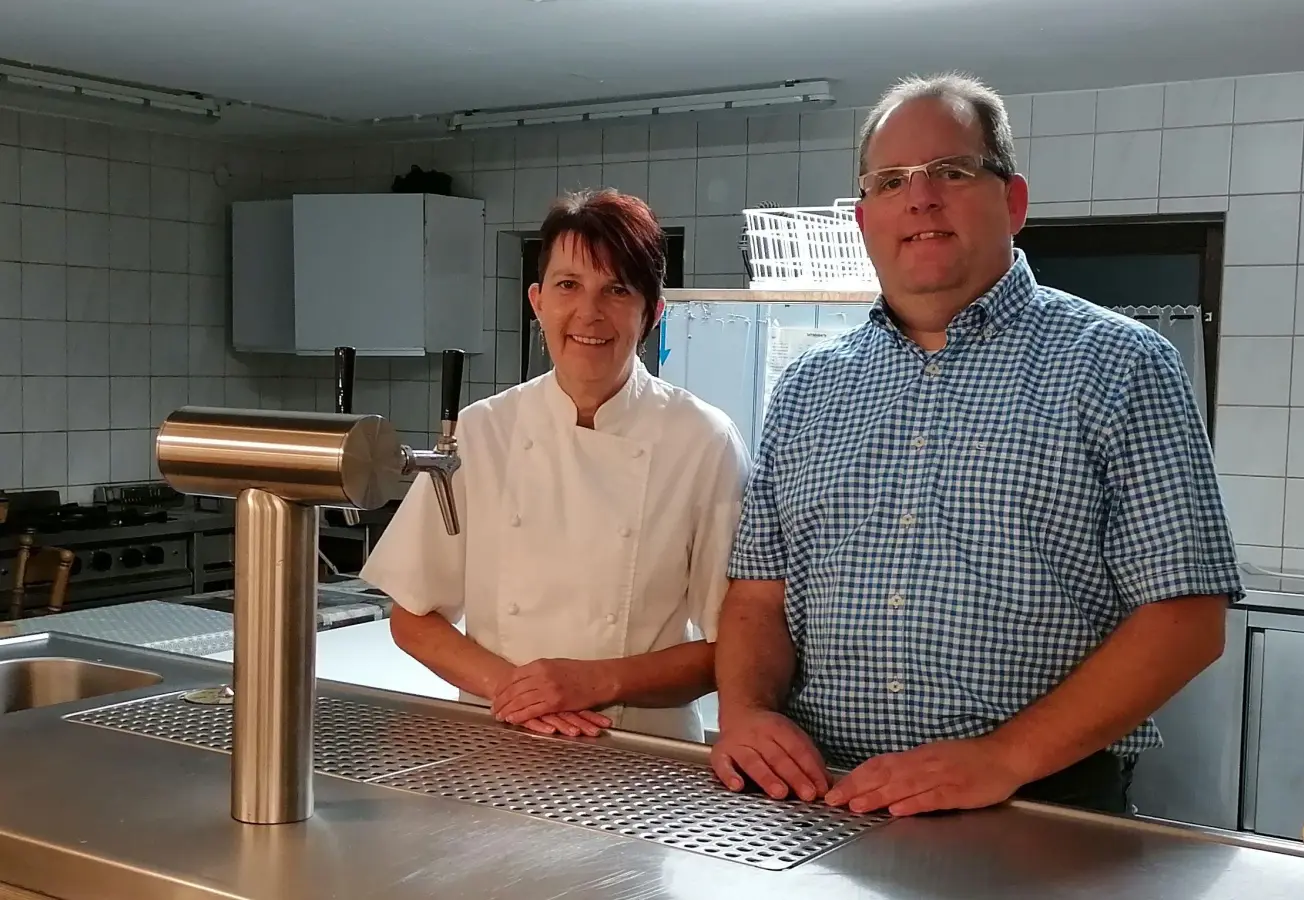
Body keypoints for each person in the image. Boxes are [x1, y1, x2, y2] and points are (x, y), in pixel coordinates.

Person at [709, 73, 1242, 817]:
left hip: (1035, 810)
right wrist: (747, 712)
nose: (919, 198)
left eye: (950, 172)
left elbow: (1187, 618)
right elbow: (758, 598)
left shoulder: (1120, 363)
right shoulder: (807, 389)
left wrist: (1003, 758)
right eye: (891, 182)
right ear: (865, 220)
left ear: (1013, 202)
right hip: (821, 799)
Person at [362, 188, 749, 743]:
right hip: (498, 741)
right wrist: (515, 691)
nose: (589, 312)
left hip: (640, 756)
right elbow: (413, 617)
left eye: (617, 289)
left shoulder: (703, 441)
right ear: (538, 301)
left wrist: (593, 682)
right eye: (569, 286)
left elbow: (732, 648)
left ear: (652, 313)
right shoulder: (483, 430)